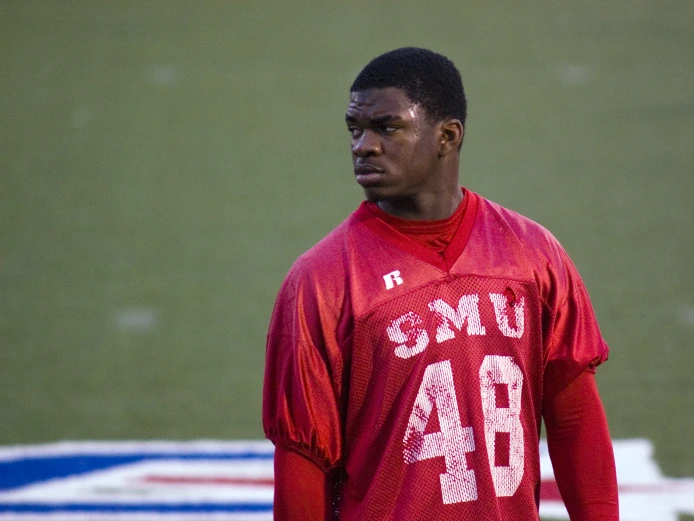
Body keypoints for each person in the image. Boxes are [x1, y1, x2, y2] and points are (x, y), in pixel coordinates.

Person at [263, 47, 619, 521]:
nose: (363, 145)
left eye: (387, 128)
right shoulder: (321, 281)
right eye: (355, 129)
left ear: (447, 136)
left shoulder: (533, 253)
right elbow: (303, 460)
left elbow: (573, 413)